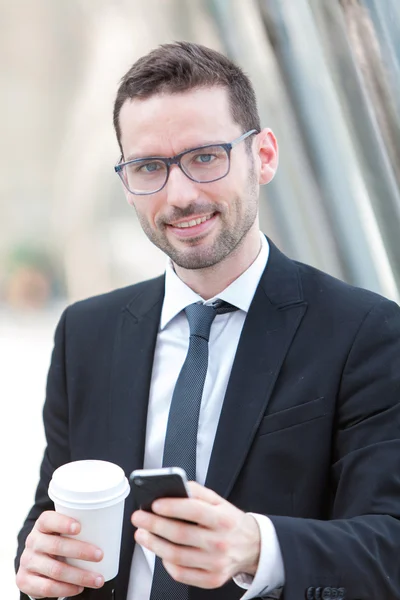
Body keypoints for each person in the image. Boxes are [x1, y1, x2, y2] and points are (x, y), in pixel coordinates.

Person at [15, 41, 400, 600]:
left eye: (204, 157)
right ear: (125, 181)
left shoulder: (364, 332)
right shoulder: (86, 334)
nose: (180, 195)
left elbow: (389, 546)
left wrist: (257, 546)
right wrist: (39, 565)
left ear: (263, 156)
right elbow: (51, 520)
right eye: (150, 166)